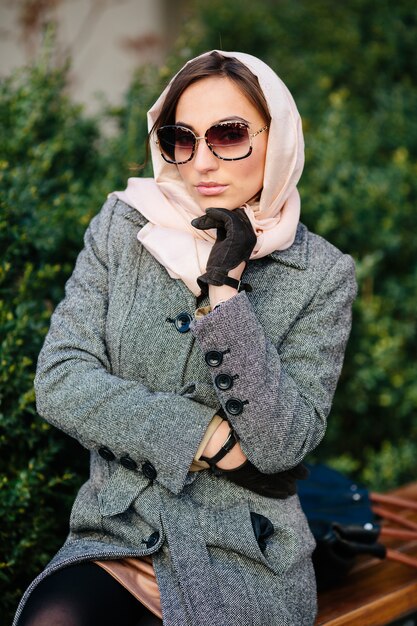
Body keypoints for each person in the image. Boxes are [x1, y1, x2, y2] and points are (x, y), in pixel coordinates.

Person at [14, 50, 357, 626]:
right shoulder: (124, 226)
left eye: (228, 135)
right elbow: (60, 380)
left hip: (245, 551)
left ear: (278, 138)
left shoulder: (322, 274)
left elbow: (281, 446)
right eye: (181, 138)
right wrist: (208, 438)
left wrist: (224, 291)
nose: (202, 162)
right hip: (121, 530)